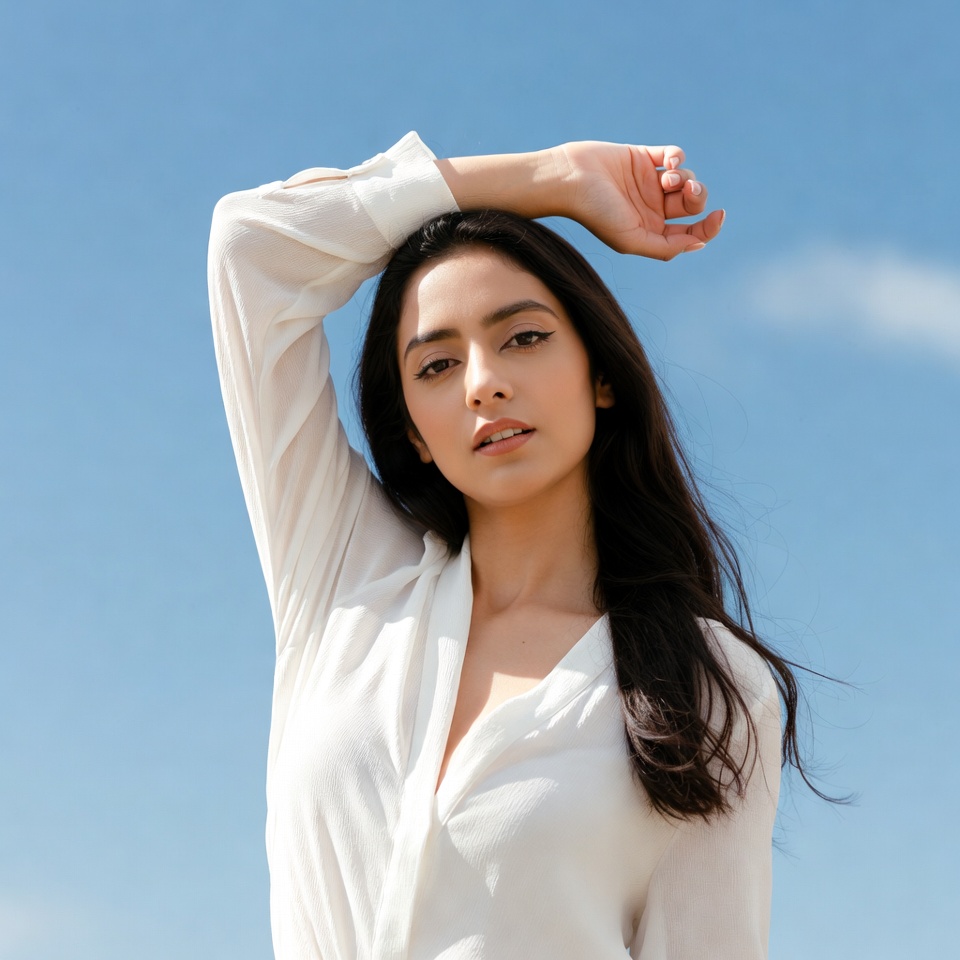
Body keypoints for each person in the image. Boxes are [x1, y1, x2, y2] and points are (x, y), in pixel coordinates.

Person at [207, 132, 800, 960]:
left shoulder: (709, 686)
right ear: (412, 431)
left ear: (600, 373)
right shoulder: (346, 582)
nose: (483, 380)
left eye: (522, 337)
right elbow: (253, 246)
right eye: (437, 365)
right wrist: (552, 179)